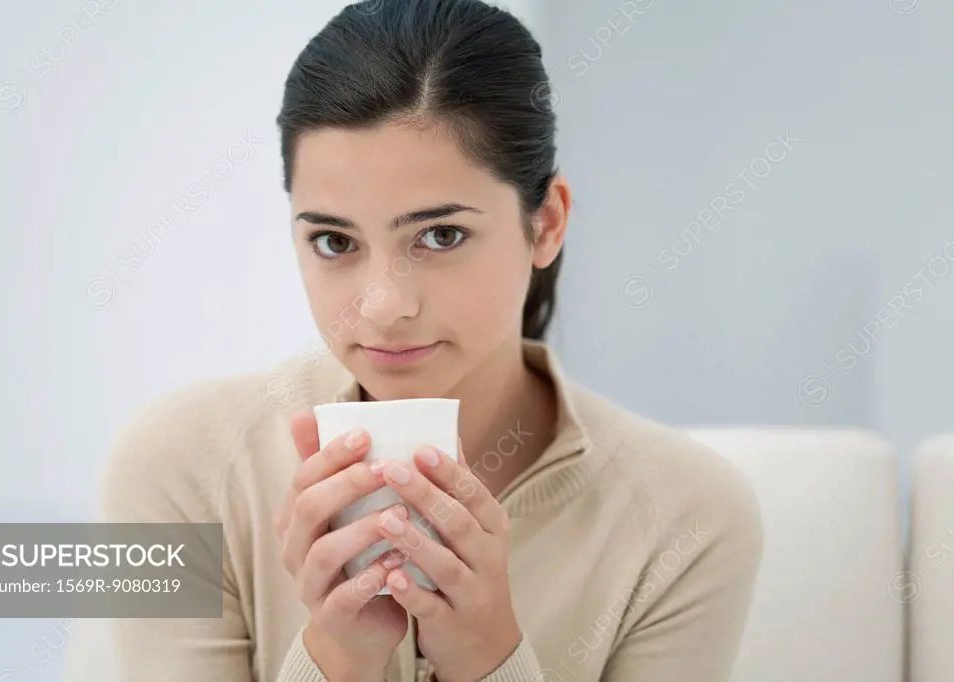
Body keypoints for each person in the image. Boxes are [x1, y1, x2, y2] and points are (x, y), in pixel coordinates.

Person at [85, 0, 763, 680]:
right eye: (334, 241)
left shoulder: (688, 521)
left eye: (440, 236)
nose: (383, 308)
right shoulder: (182, 472)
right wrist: (340, 656)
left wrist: (487, 656)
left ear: (547, 224)